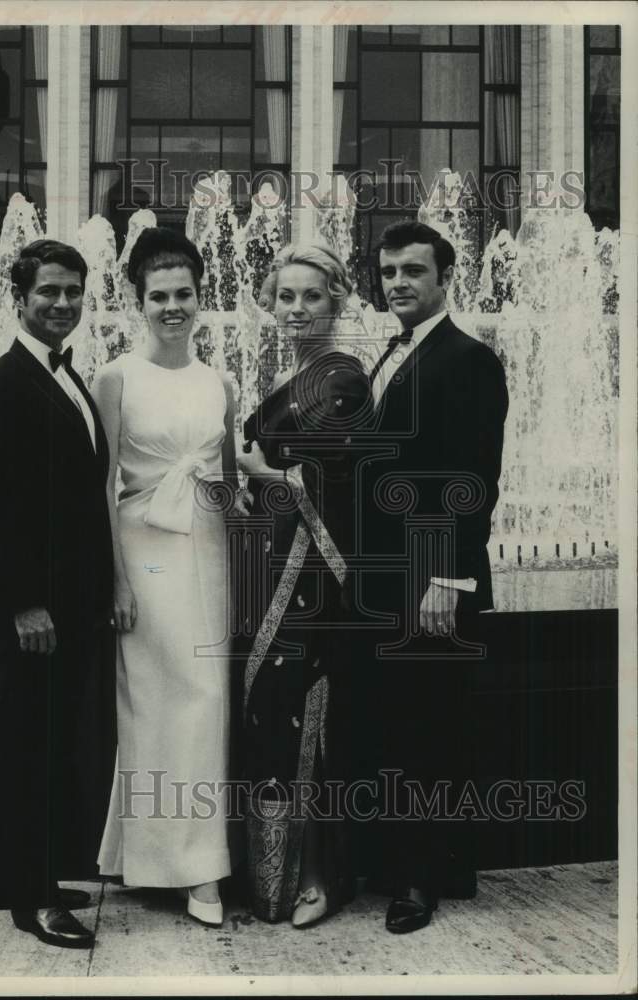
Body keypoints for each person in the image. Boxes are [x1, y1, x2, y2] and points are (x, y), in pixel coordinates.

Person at [346, 220, 509, 933]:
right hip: (387, 578)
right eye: (388, 273)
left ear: (446, 278)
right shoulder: (394, 351)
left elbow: (471, 478)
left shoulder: (465, 358)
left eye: (413, 271)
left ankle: (420, 880)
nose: (398, 284)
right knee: (401, 722)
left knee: (427, 730)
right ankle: (424, 863)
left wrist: (447, 579)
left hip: (430, 580)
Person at [0, 239, 116, 949]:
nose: (61, 304)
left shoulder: (65, 378)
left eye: (72, 292)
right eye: (48, 291)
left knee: (43, 739)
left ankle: (11, 875)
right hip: (35, 611)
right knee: (34, 746)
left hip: (72, 604)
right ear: (18, 298)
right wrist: (25, 603)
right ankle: (34, 898)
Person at [93, 227, 247, 927]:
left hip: (206, 548)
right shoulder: (116, 376)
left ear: (200, 296)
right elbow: (100, 487)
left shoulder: (221, 381)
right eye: (159, 296)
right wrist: (116, 581)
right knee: (151, 703)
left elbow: (231, 480)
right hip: (142, 550)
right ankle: (161, 859)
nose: (173, 307)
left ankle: (199, 867)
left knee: (208, 696)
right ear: (138, 301)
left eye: (184, 294)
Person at [236, 243, 372, 927]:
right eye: (284, 296)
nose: (295, 309)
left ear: (336, 301)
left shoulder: (341, 379)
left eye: (310, 297)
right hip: (272, 572)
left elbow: (335, 479)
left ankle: (319, 875)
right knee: (275, 713)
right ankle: (273, 874)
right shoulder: (289, 377)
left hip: (317, 580)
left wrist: (260, 478)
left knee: (310, 719)